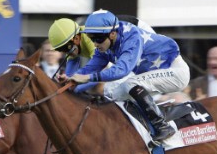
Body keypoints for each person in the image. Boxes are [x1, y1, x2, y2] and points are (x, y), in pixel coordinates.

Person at [69, 9, 190, 142]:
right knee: (111, 93)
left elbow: (121, 70)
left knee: (130, 83)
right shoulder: (105, 44)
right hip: (154, 75)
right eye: (92, 39)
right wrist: (71, 81)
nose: (95, 44)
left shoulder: (131, 36)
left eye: (98, 39)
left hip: (176, 73)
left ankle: (162, 126)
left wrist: (86, 78)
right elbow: (90, 68)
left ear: (113, 34)